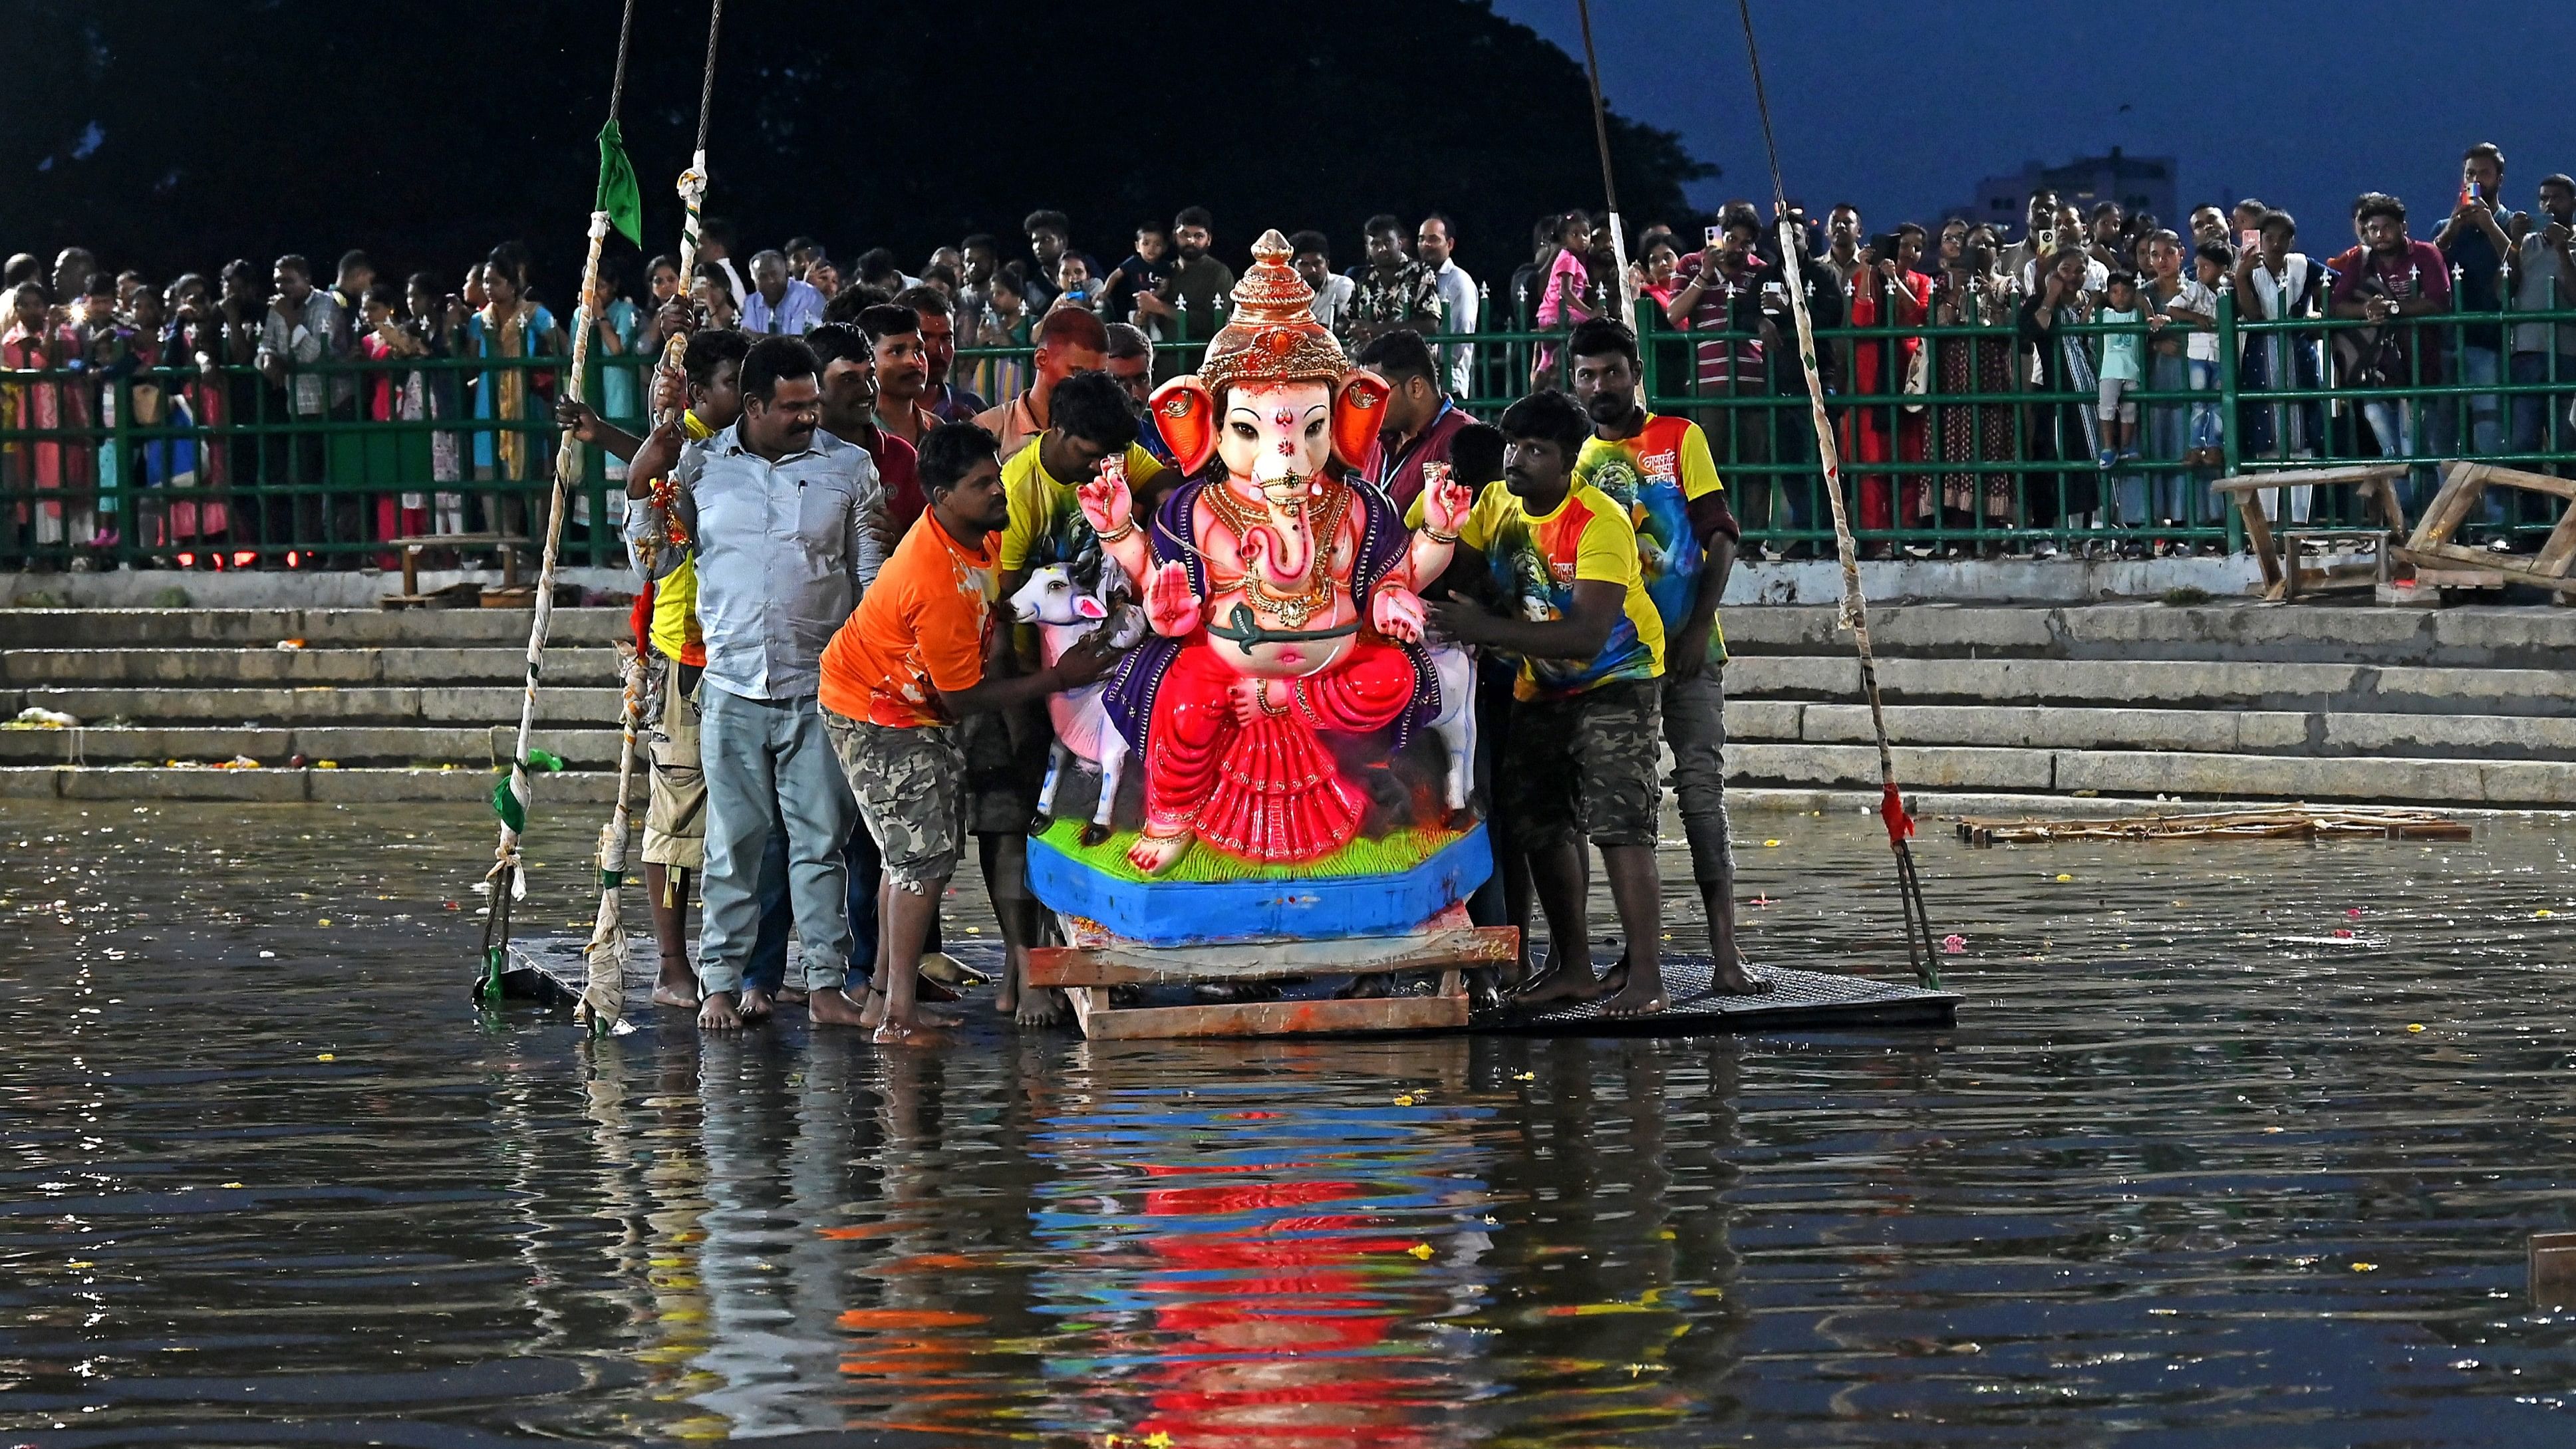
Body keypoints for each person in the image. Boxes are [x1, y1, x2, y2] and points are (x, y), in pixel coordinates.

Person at [819, 421, 1121, 1041]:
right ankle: (898, 1016)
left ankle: (883, 998)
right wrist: (1059, 676)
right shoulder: (936, 576)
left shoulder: (978, 535)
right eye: (982, 485)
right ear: (940, 498)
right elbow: (962, 699)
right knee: (923, 862)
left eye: (996, 477)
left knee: (907, 855)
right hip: (879, 708)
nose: (998, 492)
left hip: (902, 699)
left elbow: (990, 605)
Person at [628, 335, 887, 1032]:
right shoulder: (700, 466)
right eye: (795, 407)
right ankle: (720, 984)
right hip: (731, 688)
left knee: (819, 842)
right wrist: (642, 481)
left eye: (813, 404)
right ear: (753, 405)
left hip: (819, 689)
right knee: (733, 845)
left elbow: (869, 583)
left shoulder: (852, 470)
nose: (810, 417)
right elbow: (653, 560)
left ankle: (827, 984)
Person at [560, 328, 793, 1011]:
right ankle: (671, 964)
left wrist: (608, 433)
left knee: (752, 814)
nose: (750, 400)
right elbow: (655, 548)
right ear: (703, 391)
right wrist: (625, 445)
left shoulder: (749, 443)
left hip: (752, 653)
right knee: (678, 814)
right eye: (733, 388)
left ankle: (746, 957)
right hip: (686, 654)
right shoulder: (680, 442)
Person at [1425, 388, 1669, 1017]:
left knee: (1619, 825)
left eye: (1535, 450)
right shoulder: (1495, 501)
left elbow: (1586, 635)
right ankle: (1573, 967)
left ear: (1568, 463)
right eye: (1512, 446)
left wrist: (1482, 627)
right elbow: (1461, 572)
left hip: (1617, 679)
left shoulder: (1600, 522)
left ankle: (1646, 977)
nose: (1516, 460)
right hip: (1541, 682)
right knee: (1539, 823)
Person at [1563, 319, 1760, 995]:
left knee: (1702, 797)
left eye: (1611, 372)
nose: (1600, 387)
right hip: (1618, 668)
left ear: (1635, 371)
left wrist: (1698, 628)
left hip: (1692, 652)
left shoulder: (1680, 438)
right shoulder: (1576, 461)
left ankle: (1727, 956)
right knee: (1622, 811)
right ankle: (1631, 955)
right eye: (1587, 376)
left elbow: (1722, 537)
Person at [988, 372, 1167, 1021]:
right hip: (1020, 669)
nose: (1102, 468)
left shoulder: (1118, 456)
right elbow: (1000, 607)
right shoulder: (1017, 488)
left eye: (1112, 457)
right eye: (1089, 454)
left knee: (1098, 812)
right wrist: (1024, 701)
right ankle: (1024, 965)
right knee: (1020, 818)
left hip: (1100, 675)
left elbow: (1172, 496)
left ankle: (1098, 957)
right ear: (1055, 433)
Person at [2330, 194, 2452, 508]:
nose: (2380, 235)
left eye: (2387, 227)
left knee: (2419, 450)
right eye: (2372, 229)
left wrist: (2395, 308)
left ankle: (2430, 525)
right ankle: (2406, 525)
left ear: (2404, 227)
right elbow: (2337, 305)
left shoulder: (2425, 255)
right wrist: (2367, 310)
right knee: (2391, 452)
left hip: (2419, 365)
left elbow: (2440, 301)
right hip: (2374, 371)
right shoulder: (2361, 260)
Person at [1667, 205, 1774, 526]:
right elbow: (1674, 314)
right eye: (1731, 238)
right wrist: (1704, 274)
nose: (1737, 248)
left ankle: (1752, 540)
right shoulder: (1689, 264)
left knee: (1756, 465)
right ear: (1718, 235)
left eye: (1745, 242)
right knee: (1710, 468)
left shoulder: (1762, 271)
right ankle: (1713, 538)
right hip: (1708, 383)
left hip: (1753, 379)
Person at [255, 253, 354, 563]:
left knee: (337, 484)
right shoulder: (277, 310)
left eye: (289, 281)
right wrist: (268, 361)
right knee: (303, 484)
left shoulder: (327, 305)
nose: (282, 287)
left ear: (306, 280)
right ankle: (311, 551)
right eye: (278, 282)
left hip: (334, 404)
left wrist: (292, 322)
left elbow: (316, 355)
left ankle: (341, 553)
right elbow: (265, 347)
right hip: (298, 406)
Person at [462, 249, 563, 541]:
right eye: (485, 282)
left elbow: (562, 348)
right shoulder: (479, 322)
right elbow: (471, 364)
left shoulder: (535, 314)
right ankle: (504, 551)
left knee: (535, 478)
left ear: (511, 284)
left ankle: (540, 550)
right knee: (491, 480)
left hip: (527, 404)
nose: (488, 288)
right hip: (488, 407)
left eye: (495, 282)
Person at [2231, 210, 2326, 522]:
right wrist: (2241, 276)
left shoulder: (2303, 267)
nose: (2275, 244)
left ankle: (2300, 523)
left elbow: (2334, 286)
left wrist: (2319, 315)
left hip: (2299, 356)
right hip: (2261, 357)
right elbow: (2254, 316)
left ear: (2292, 240)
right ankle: (2269, 523)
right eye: (2268, 237)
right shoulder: (2249, 270)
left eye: (2282, 237)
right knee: (2266, 443)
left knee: (2303, 443)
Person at [1930, 223, 2019, 541]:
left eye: (1988, 243)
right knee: (1956, 449)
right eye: (1974, 243)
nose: (1981, 248)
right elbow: (1939, 325)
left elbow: (2012, 328)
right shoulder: (1945, 284)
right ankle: (1960, 529)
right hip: (1955, 382)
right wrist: (1956, 294)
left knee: (1992, 448)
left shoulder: (2009, 286)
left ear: (1998, 250)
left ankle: (1993, 529)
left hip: (1993, 379)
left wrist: (1989, 297)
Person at [2018, 247, 2105, 553]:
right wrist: (2051, 297)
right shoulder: (2038, 304)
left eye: (2080, 270)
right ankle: (2046, 535)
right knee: (2048, 463)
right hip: (2053, 395)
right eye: (2066, 269)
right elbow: (2030, 333)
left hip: (2088, 400)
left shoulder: (2094, 304)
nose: (2073, 277)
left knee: (2087, 463)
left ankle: (2087, 535)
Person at [811, 318, 925, 537]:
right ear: (816, 386)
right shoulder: (796, 457)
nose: (867, 390)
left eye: (871, 376)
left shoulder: (902, 457)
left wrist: (902, 543)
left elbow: (930, 540)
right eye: (849, 379)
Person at [2136, 231, 2216, 541]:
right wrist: (2156, 347)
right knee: (2156, 447)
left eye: (2168, 253)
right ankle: (2151, 527)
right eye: (2155, 255)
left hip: (2191, 380)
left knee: (2189, 444)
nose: (2162, 261)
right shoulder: (2143, 295)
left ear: (2182, 253)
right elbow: (2128, 338)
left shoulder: (2197, 293)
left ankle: (2190, 526)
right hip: (2155, 383)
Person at [2436, 142, 2513, 462]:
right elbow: (2427, 266)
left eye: (2484, 173)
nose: (2477, 180)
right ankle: (2446, 512)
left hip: (2491, 343)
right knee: (2442, 436)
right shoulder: (2446, 227)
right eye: (2471, 173)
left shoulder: (2512, 224)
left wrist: (2490, 226)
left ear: (2500, 178)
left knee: (2490, 435)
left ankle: (2497, 511)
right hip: (2449, 342)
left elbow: (2517, 267)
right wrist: (2454, 226)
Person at [1354, 328, 1469, 512]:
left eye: (1377, 393)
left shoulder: (1461, 440)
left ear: (1416, 388)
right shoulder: (1380, 439)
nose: (1369, 405)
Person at [972, 305, 1110, 458]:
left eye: (1099, 377)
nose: (1091, 386)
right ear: (1041, 360)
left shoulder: (1110, 431)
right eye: (1078, 373)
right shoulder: (989, 429)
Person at [2508, 174, 2576, 477]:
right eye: (2543, 198)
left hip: (2569, 355)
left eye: (2556, 198)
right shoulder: (2526, 245)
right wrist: (2513, 241)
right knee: (2523, 443)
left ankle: (2568, 519)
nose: (2548, 205)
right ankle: (2533, 523)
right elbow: (2503, 289)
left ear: (2573, 203)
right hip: (2526, 353)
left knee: (2568, 443)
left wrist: (2563, 250)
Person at [1135, 207, 1232, 357]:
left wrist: (1160, 307)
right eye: (1184, 234)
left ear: (1209, 240)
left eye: (1198, 236)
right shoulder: (1163, 271)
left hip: (1199, 363)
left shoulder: (1219, 273)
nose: (1191, 241)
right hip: (1162, 364)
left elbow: (1214, 324)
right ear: (1175, 236)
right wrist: (1143, 315)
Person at [853, 301, 941, 453]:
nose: (914, 362)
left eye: (919, 350)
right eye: (897, 351)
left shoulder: (937, 429)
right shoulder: (855, 435)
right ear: (867, 359)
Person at [1344, 213, 1441, 350]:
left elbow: (1431, 326)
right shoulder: (1364, 280)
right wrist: (1354, 328)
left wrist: (1376, 330)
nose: (1382, 249)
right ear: (1368, 248)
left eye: (1388, 242)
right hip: (1373, 364)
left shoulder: (1421, 273)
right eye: (1375, 244)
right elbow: (1347, 320)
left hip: (1413, 363)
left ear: (1400, 243)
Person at [1530, 211, 1598, 386]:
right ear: (1564, 238)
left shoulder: (1575, 260)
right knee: (1596, 324)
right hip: (1558, 314)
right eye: (1575, 234)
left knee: (1546, 361)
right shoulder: (1568, 259)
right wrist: (1590, 313)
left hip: (1547, 315)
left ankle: (1537, 386)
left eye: (1586, 234)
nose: (1582, 239)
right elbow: (1565, 292)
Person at [1419, 213, 1479, 397]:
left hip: (1449, 382)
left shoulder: (1459, 282)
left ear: (1450, 244)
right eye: (1421, 239)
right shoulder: (1418, 278)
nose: (1426, 245)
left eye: (1434, 239)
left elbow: (1460, 335)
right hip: (1424, 380)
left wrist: (1440, 368)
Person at [2094, 271, 2146, 471]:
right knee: (2107, 407)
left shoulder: (2137, 315)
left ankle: (2125, 448)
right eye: (2114, 292)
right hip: (2109, 371)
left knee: (2129, 411)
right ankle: (2108, 446)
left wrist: (2143, 300)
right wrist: (2094, 302)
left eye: (2125, 292)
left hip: (2132, 370)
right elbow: (2083, 324)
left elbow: (2151, 320)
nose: (2120, 296)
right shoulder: (2105, 315)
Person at [1102, 323, 1173, 465]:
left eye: (1141, 380)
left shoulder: (1163, 443)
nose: (1134, 394)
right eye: (1117, 382)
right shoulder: (1076, 453)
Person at [971, 270, 1032, 407]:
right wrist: (979, 341)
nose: (994, 299)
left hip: (1015, 400)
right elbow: (969, 366)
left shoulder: (1031, 324)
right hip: (986, 399)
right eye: (992, 294)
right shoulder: (989, 326)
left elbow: (1033, 363)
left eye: (1000, 293)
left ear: (1018, 296)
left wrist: (1008, 343)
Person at [1104, 220, 1172, 329]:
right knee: (1137, 325)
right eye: (1146, 243)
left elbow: (1164, 287)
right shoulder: (1134, 262)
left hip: (1156, 309)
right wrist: (1105, 291)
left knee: (1156, 332)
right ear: (1137, 246)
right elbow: (1115, 276)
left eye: (1157, 244)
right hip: (1135, 308)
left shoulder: (1165, 266)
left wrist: (1151, 298)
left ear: (1164, 247)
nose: (1151, 248)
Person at [741, 249, 825, 336]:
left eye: (774, 274)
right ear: (754, 280)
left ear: (786, 272)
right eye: (763, 277)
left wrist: (759, 337)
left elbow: (803, 341)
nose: (771, 281)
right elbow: (747, 337)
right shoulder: (751, 302)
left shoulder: (807, 295)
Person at [1291, 230, 1356, 332]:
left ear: (1327, 264)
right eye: (1305, 264)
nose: (1312, 270)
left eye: (1317, 263)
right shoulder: (1284, 294)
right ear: (1293, 267)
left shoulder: (1342, 286)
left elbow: (1341, 327)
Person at [2000, 189, 2059, 283]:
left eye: (2049, 208)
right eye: (2036, 208)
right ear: (2027, 217)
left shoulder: (2071, 256)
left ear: (2058, 217)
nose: (2042, 211)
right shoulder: (2007, 257)